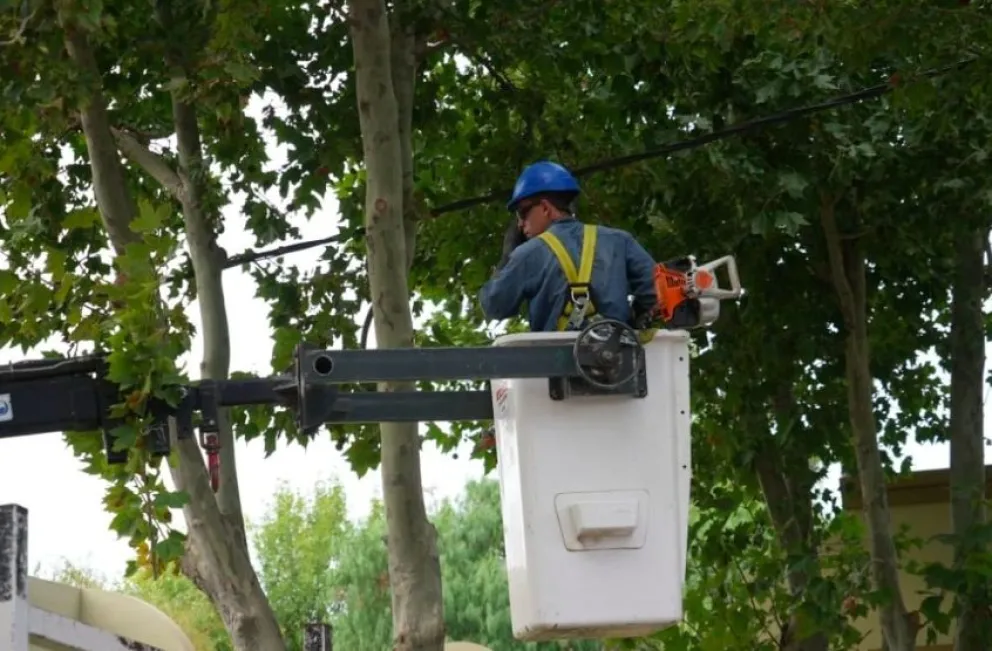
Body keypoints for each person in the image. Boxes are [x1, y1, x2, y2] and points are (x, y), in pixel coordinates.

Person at [478, 160, 658, 332]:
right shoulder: (619, 241)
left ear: (545, 208)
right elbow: (658, 292)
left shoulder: (527, 254)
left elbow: (494, 306)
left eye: (522, 213)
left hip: (553, 361)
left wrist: (506, 258)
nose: (520, 224)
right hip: (617, 358)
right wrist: (637, 313)